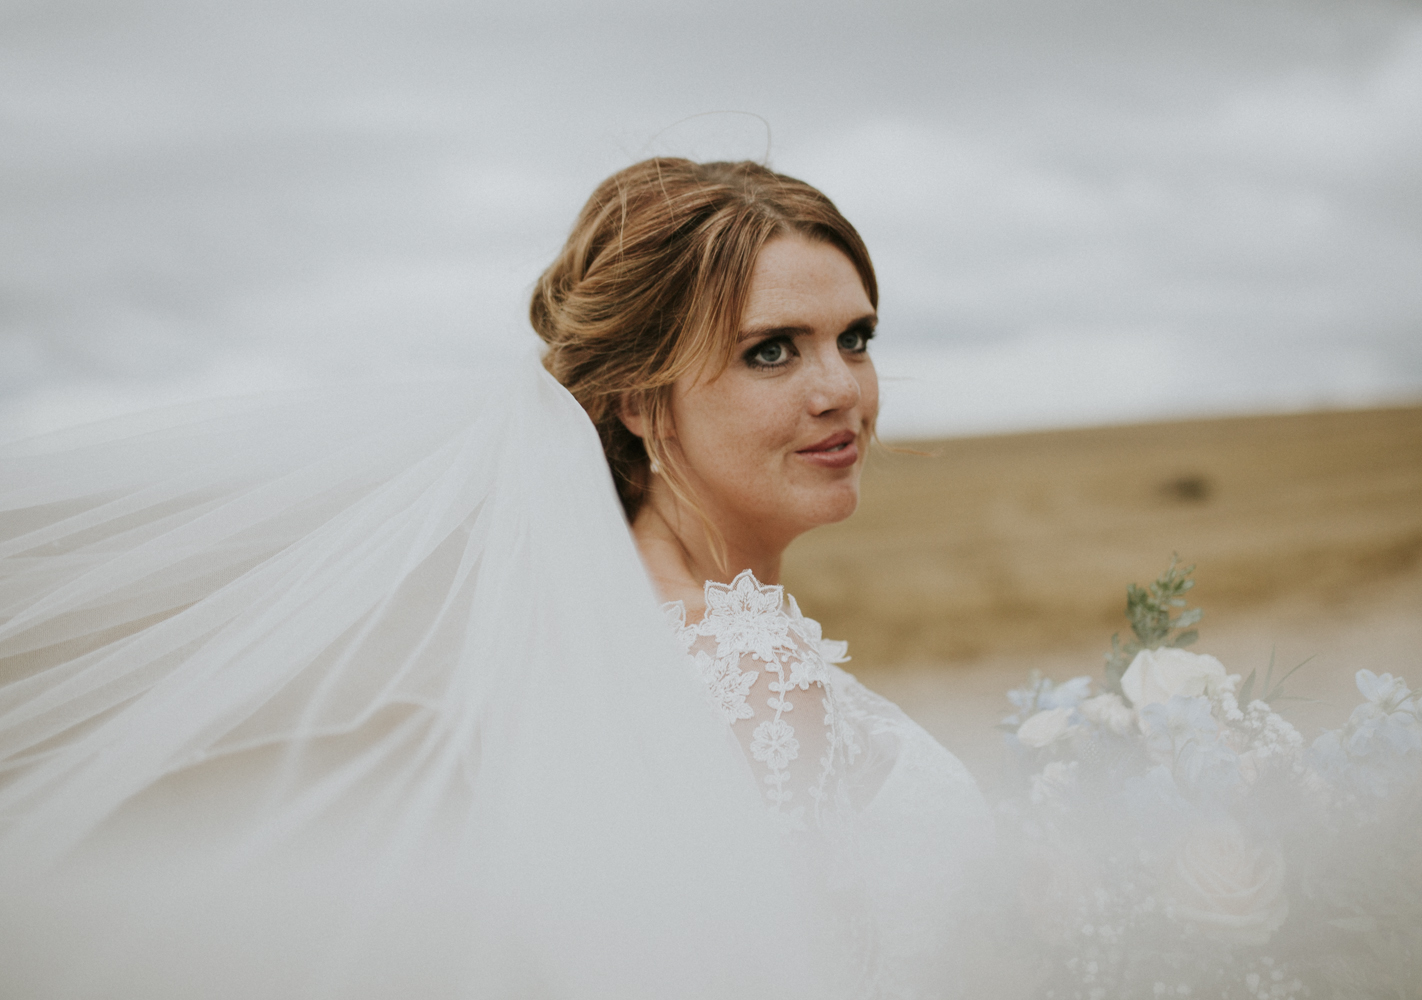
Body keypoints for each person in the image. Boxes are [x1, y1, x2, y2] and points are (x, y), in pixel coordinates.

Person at [0, 159, 1001, 998]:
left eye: (855, 339)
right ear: (638, 402)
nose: (841, 391)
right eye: (771, 351)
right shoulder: (693, 669)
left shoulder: (596, 629)